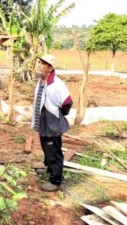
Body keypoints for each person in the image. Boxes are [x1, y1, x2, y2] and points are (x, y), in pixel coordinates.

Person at [31, 53, 73, 192]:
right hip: (43, 120)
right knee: (46, 146)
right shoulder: (42, 80)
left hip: (52, 121)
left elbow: (67, 102)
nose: (39, 65)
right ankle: (49, 168)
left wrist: (59, 115)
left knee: (54, 150)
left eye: (42, 63)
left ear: (50, 68)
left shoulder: (56, 84)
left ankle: (56, 181)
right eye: (39, 62)